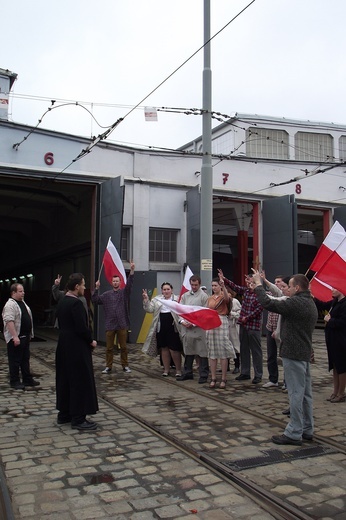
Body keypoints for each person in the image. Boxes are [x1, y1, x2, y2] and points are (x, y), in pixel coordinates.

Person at [252, 270, 318, 446]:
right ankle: (307, 428)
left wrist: (259, 284)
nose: (287, 289)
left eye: (289, 286)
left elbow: (267, 302)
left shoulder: (297, 303)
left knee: (296, 393)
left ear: (297, 288)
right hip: (302, 352)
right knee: (305, 394)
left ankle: (294, 431)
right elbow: (280, 296)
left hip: (294, 353)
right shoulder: (309, 301)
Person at [55, 273, 98, 430]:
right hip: (76, 346)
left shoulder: (62, 302)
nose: (84, 287)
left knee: (65, 378)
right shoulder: (76, 304)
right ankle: (78, 418)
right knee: (79, 379)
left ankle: (64, 413)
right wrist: (91, 340)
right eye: (83, 284)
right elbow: (81, 327)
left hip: (64, 345)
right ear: (76, 286)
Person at [218, 269, 263, 384]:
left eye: (252, 283)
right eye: (249, 283)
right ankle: (245, 372)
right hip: (243, 325)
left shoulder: (261, 294)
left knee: (256, 351)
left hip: (253, 326)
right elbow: (235, 287)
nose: (249, 285)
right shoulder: (246, 291)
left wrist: (246, 317)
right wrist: (224, 279)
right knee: (243, 349)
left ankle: (258, 374)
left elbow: (259, 309)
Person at [92, 262, 135, 374]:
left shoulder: (124, 294)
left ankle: (125, 365)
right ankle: (108, 366)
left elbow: (129, 285)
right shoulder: (106, 295)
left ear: (120, 282)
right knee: (109, 348)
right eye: (114, 281)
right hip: (110, 324)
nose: (115, 282)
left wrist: (131, 272)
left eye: (117, 281)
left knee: (124, 347)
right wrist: (96, 288)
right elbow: (95, 300)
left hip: (122, 324)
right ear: (111, 282)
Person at [2, 283, 40, 390]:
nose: (23, 293)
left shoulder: (22, 302)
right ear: (13, 292)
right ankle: (14, 381)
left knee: (25, 359)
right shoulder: (10, 305)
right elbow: (9, 321)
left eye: (23, 291)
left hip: (25, 336)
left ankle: (27, 379)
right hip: (17, 337)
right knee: (15, 360)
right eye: (20, 291)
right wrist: (14, 336)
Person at [142, 282, 183, 377]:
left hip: (173, 327)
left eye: (168, 289)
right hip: (161, 326)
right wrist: (146, 300)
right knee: (164, 349)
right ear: (162, 291)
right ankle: (166, 369)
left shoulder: (177, 299)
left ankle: (178, 370)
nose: (166, 291)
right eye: (164, 289)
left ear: (171, 290)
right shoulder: (157, 300)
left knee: (174, 349)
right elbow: (149, 309)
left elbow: (182, 311)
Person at [314, 288, 346, 403]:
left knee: (341, 366)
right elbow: (323, 305)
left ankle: (341, 393)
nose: (332, 290)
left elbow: (343, 322)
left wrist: (330, 320)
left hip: (340, 339)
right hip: (331, 338)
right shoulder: (335, 302)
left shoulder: (344, 304)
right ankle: (335, 391)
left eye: (335, 288)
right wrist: (312, 297)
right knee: (335, 365)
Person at [177, 275, 209, 384]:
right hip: (187, 328)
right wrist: (182, 321)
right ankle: (187, 372)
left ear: (199, 284)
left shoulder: (204, 296)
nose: (194, 287)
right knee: (188, 351)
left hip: (199, 329)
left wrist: (194, 323)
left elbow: (205, 313)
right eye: (192, 285)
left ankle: (204, 374)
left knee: (202, 352)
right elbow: (180, 310)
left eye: (196, 285)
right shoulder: (185, 296)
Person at [207, 278, 235, 389]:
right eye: (212, 286)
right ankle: (213, 377)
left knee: (223, 350)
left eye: (215, 285)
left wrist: (223, 287)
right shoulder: (209, 298)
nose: (214, 288)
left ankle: (224, 377)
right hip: (211, 321)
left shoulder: (224, 296)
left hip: (221, 320)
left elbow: (228, 301)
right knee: (212, 351)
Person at [260, 272, 284, 388]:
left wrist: (265, 280)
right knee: (271, 355)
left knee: (285, 357)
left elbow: (277, 292)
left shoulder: (284, 296)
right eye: (275, 282)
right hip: (270, 328)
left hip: (281, 331)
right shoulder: (269, 294)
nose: (276, 284)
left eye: (278, 282)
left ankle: (287, 382)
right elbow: (262, 296)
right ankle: (273, 379)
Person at [228, 288, 241, 374]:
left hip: (233, 326)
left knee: (235, 345)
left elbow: (240, 313)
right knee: (226, 346)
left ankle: (237, 365)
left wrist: (232, 313)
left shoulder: (235, 302)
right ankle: (226, 365)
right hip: (225, 325)